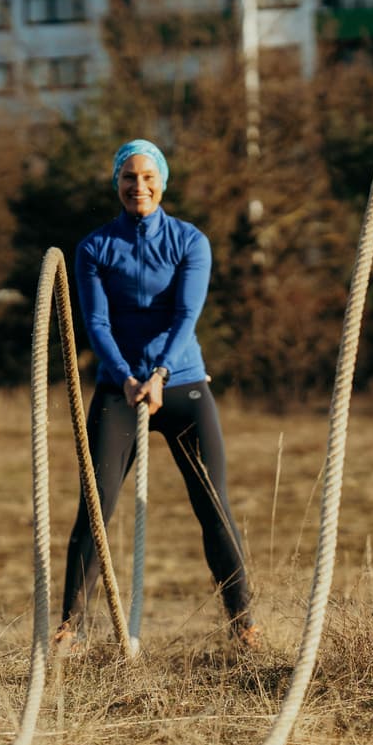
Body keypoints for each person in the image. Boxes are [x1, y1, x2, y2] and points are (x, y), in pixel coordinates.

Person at [55, 139, 260, 651]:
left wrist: (162, 373)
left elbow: (185, 316)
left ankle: (244, 621)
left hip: (182, 382)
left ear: (163, 182)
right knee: (95, 509)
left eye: (148, 177)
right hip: (119, 389)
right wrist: (126, 376)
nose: (138, 186)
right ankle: (70, 627)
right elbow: (96, 323)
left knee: (213, 504)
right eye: (128, 177)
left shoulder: (190, 241)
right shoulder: (94, 248)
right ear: (116, 184)